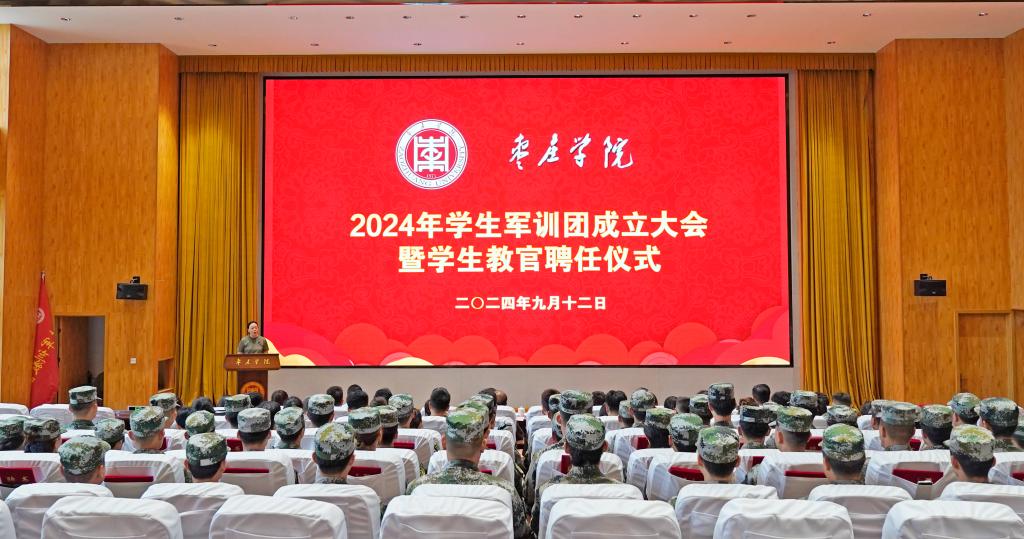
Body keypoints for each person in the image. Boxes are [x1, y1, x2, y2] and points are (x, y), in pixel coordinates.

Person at [407, 407, 532, 539]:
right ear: (483, 444)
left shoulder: (416, 488)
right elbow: (522, 535)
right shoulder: (506, 491)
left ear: (444, 442)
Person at [532, 415, 618, 535]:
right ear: (605, 447)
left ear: (566, 447)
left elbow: (537, 528)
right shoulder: (625, 492)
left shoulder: (547, 490)